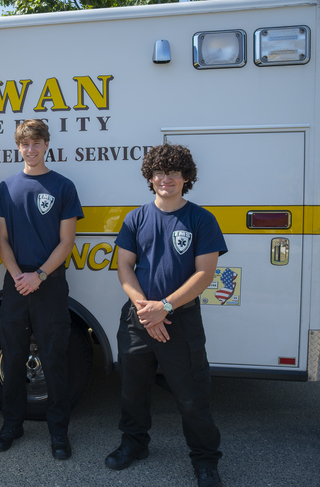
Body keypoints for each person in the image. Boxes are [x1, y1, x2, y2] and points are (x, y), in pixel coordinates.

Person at [106, 144, 226, 487]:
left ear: (186, 177)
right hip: (138, 319)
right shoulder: (136, 218)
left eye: (174, 172)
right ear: (149, 177)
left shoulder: (201, 219)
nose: (166, 179)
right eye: (159, 172)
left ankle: (205, 460)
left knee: (192, 396)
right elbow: (125, 266)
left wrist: (165, 307)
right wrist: (146, 308)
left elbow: (204, 274)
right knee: (132, 391)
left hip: (181, 320)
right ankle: (134, 444)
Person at [0, 119, 83, 460]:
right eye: (25, 144)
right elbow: (1, 239)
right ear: (18, 147)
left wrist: (38, 276)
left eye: (37, 143)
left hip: (49, 285)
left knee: (55, 359)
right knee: (13, 358)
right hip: (16, 286)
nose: (31, 149)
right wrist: (18, 276)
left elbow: (67, 242)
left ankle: (59, 432)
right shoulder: (7, 186)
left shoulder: (63, 186)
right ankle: (11, 425)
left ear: (47, 145)